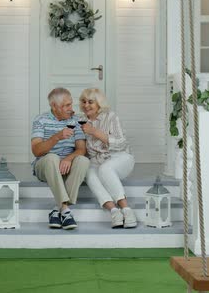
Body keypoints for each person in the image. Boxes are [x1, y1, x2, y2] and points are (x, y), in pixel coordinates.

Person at [31, 87, 90, 230]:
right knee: (51, 157)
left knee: (83, 160)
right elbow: (36, 151)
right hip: (45, 166)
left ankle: (57, 211)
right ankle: (65, 208)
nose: (71, 108)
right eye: (66, 105)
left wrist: (68, 159)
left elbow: (81, 149)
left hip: (67, 166)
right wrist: (57, 136)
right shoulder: (40, 120)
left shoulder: (76, 121)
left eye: (71, 104)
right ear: (54, 106)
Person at [78, 88, 137, 228]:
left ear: (99, 103)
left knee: (105, 168)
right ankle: (114, 211)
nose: (86, 105)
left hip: (119, 157)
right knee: (89, 173)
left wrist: (94, 131)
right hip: (96, 160)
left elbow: (121, 143)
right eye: (83, 101)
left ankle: (127, 210)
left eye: (90, 102)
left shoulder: (111, 117)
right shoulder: (80, 121)